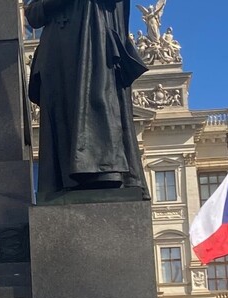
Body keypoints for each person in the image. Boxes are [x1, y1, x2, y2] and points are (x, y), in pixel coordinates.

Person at [25, 0, 147, 200]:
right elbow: (33, 15)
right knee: (62, 115)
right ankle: (65, 179)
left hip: (93, 45)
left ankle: (103, 170)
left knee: (97, 104)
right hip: (56, 54)